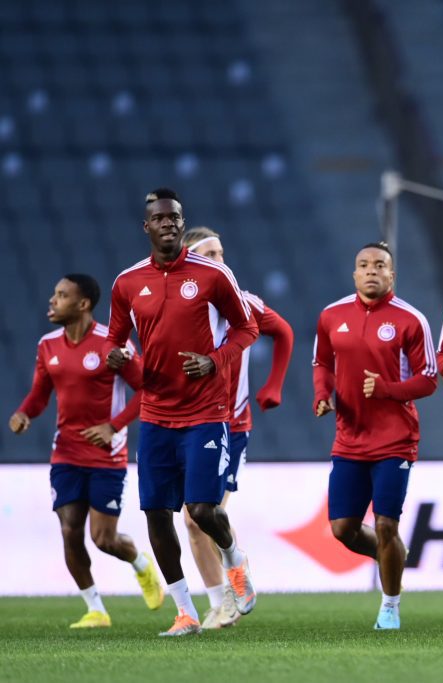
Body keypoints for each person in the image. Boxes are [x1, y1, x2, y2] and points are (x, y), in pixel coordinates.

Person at [106, 188, 259, 636]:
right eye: (160, 218)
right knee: (157, 513)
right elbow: (116, 340)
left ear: (181, 223)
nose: (168, 223)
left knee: (202, 510)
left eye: (174, 217)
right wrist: (119, 358)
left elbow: (247, 328)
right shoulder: (127, 282)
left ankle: (234, 561)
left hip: (206, 410)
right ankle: (185, 612)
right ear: (147, 227)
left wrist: (215, 360)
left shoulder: (213, 275)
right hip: (156, 413)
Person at [9, 274, 163, 628]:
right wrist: (24, 413)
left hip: (107, 454)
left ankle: (141, 564)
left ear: (83, 304)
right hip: (66, 453)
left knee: (103, 538)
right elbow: (40, 394)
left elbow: (147, 390)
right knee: (69, 529)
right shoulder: (48, 345)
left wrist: (114, 425)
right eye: (54, 293)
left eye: (62, 295)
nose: (53, 300)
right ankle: (96, 609)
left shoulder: (113, 345)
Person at [313, 242, 437, 630]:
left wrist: (387, 389)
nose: (371, 270)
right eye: (364, 265)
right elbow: (322, 362)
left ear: (391, 275)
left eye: (380, 265)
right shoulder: (332, 315)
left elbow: (429, 379)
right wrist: (322, 394)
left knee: (386, 524)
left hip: (395, 439)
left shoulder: (411, 319)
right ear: (354, 274)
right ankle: (392, 555)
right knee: (343, 529)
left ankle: (390, 606)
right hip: (349, 438)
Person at [181, 227, 294, 629]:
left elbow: (284, 332)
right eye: (209, 254)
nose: (219, 260)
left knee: (200, 516)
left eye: (221, 252)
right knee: (190, 523)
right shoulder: (178, 306)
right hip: (186, 422)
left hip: (231, 423)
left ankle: (233, 578)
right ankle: (220, 604)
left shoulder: (243, 303)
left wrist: (274, 385)